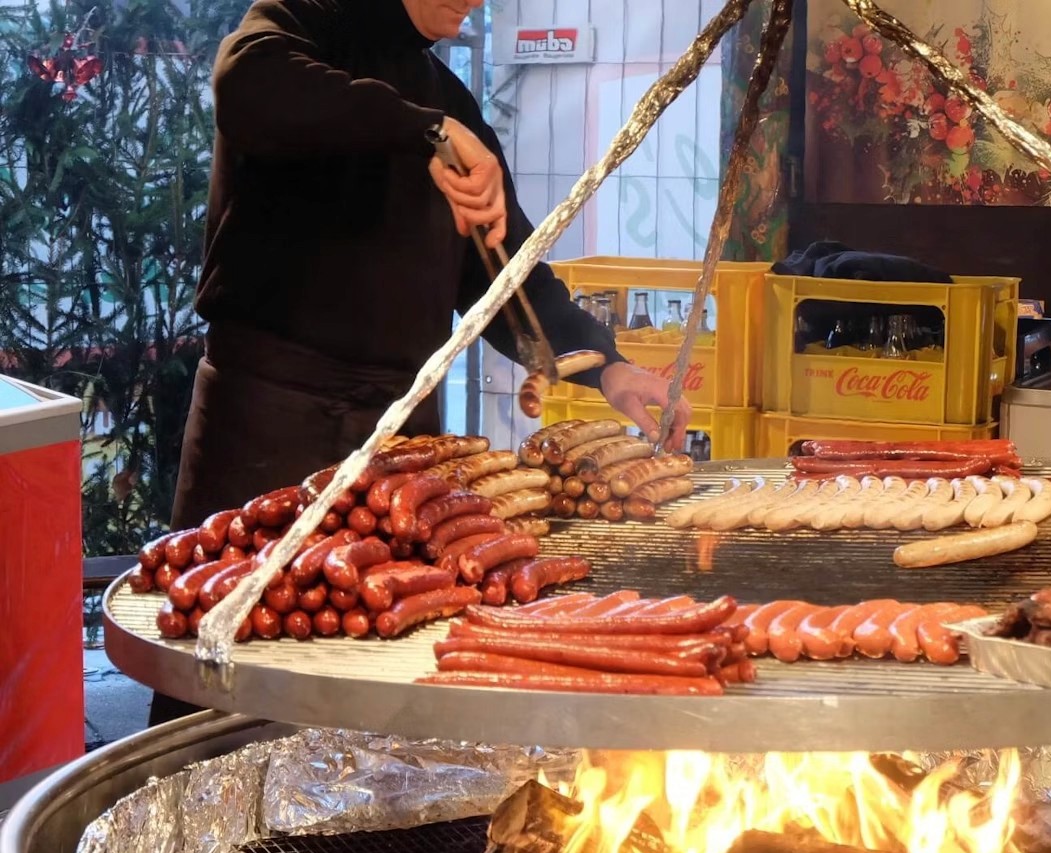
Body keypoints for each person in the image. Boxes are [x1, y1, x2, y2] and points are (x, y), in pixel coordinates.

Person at [151, 0, 690, 725]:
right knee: (225, 666)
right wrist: (424, 131)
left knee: (382, 660)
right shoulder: (303, 27)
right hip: (269, 415)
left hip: (399, 435)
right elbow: (247, 87)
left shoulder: (449, 98)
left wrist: (607, 368)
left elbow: (504, 276)